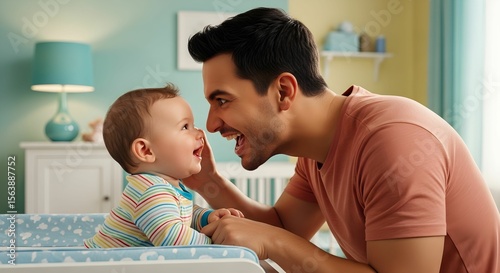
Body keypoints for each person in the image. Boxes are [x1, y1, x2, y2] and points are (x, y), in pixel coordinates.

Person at [184, 7, 500, 273]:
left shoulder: (393, 140)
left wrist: (273, 242)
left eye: (222, 100)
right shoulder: (316, 150)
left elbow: (278, 237)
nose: (211, 125)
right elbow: (284, 227)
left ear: (283, 91)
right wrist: (208, 181)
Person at [84, 84, 243, 248]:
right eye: (185, 127)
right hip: (98, 265)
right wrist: (217, 242)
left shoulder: (162, 186)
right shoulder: (150, 192)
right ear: (146, 150)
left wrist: (206, 218)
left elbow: (181, 215)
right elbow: (174, 240)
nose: (200, 133)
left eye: (193, 125)